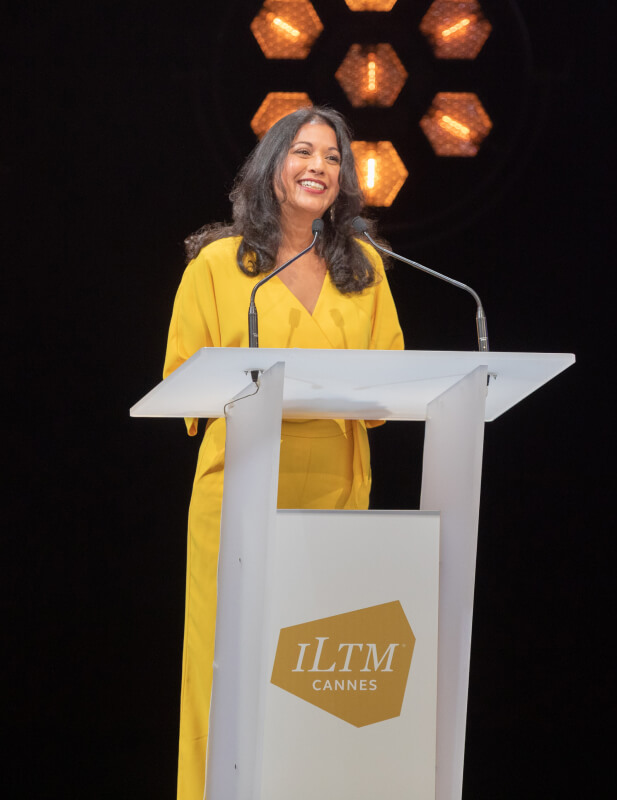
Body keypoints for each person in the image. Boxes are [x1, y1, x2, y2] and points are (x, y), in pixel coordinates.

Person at [161, 106, 404, 799]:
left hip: (335, 492)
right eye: (303, 152)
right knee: (228, 663)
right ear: (271, 167)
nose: (318, 167)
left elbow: (392, 379)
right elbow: (183, 381)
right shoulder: (220, 264)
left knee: (325, 672)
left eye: (332, 157)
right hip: (241, 491)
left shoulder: (364, 268)